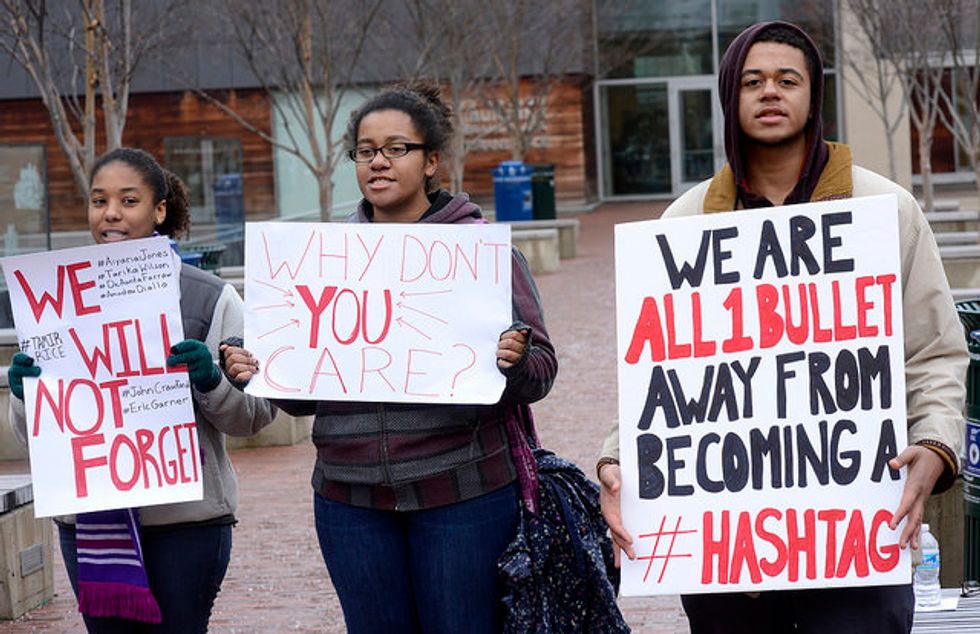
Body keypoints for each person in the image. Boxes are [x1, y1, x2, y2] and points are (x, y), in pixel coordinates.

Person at [595, 20, 967, 634]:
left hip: (857, 538)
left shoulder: (883, 210)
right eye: (752, 81)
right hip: (725, 556)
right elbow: (659, 374)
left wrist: (933, 446)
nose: (770, 92)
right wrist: (617, 460)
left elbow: (933, 352)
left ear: (812, 97)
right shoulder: (683, 221)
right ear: (729, 99)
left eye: (787, 79)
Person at [224, 83, 558, 633]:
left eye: (397, 148)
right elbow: (305, 400)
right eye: (365, 149)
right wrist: (261, 374)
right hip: (349, 501)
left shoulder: (482, 253)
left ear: (431, 162)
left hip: (463, 496)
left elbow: (541, 371)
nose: (378, 161)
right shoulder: (321, 261)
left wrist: (515, 359)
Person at [7, 147, 277, 633]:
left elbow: (253, 417)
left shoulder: (211, 296)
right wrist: (24, 396)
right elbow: (41, 438)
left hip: (187, 527)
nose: (110, 213)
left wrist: (210, 381)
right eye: (98, 200)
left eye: (128, 201)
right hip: (89, 527)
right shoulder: (51, 300)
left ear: (159, 210)